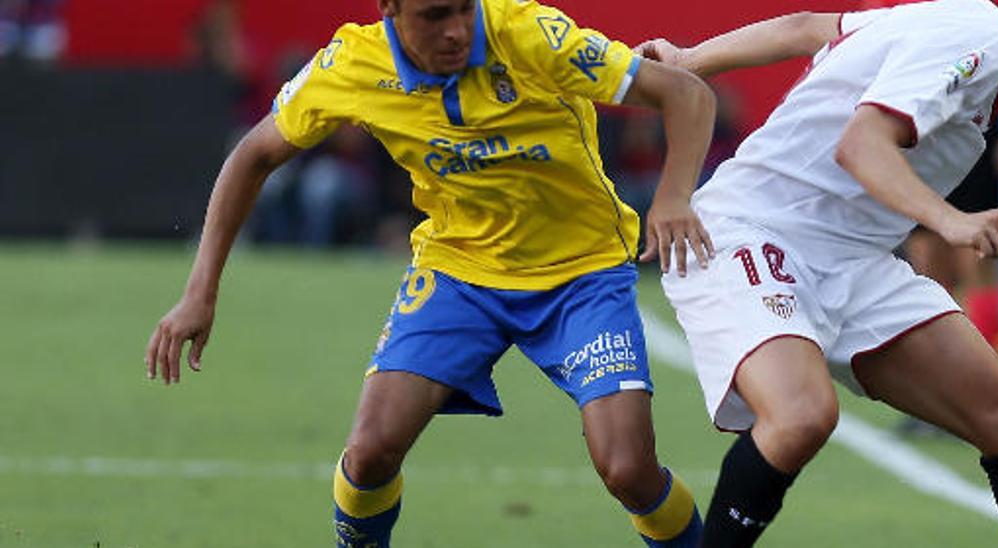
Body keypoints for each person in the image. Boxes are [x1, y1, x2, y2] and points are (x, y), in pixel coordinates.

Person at [143, 0, 717, 546]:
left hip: (582, 273)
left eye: (464, 8)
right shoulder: (352, 64)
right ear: (388, 8)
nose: (455, 29)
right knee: (369, 453)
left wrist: (671, 197)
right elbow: (253, 155)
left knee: (628, 469)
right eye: (435, 14)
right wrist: (199, 292)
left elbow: (686, 94)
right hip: (459, 272)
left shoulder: (528, 33)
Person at [638, 0, 998, 545]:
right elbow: (861, 144)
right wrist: (951, 221)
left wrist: (690, 58)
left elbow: (808, 27)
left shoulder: (958, 24)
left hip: (853, 259)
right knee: (800, 417)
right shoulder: (981, 32)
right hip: (756, 232)